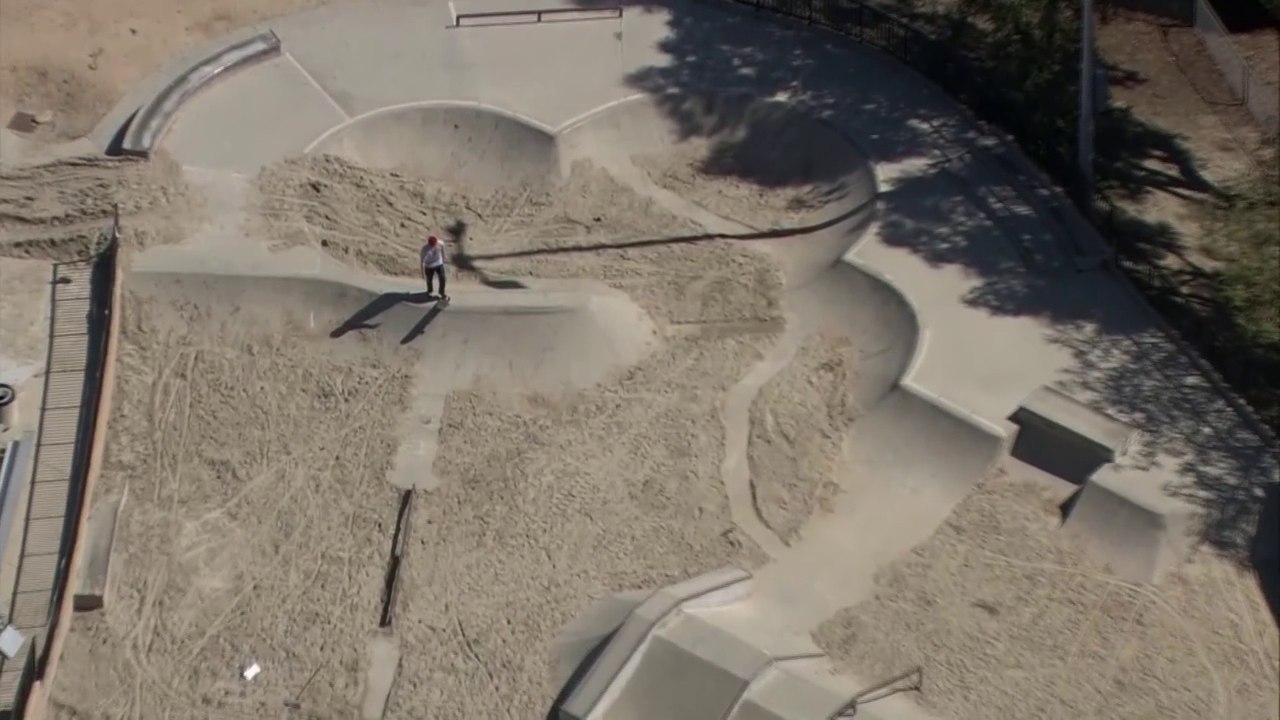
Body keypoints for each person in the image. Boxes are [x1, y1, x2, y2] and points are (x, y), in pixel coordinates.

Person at [420, 235, 448, 301]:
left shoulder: (440, 243)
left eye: (434, 244)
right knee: (429, 279)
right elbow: (421, 261)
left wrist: (444, 257)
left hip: (439, 263)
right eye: (431, 245)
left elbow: (443, 250)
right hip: (429, 266)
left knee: (443, 278)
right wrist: (422, 273)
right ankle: (430, 291)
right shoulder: (425, 248)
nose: (432, 246)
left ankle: (441, 292)